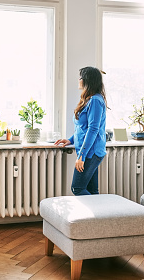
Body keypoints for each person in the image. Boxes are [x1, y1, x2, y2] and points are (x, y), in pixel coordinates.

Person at [55, 67, 107, 195]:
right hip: (89, 152)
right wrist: (70, 140)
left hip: (91, 153)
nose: (79, 80)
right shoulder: (89, 99)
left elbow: (93, 129)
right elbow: (82, 128)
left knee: (77, 188)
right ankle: (99, 215)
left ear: (87, 80)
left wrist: (81, 156)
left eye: (80, 77)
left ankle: (103, 213)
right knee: (92, 190)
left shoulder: (95, 100)